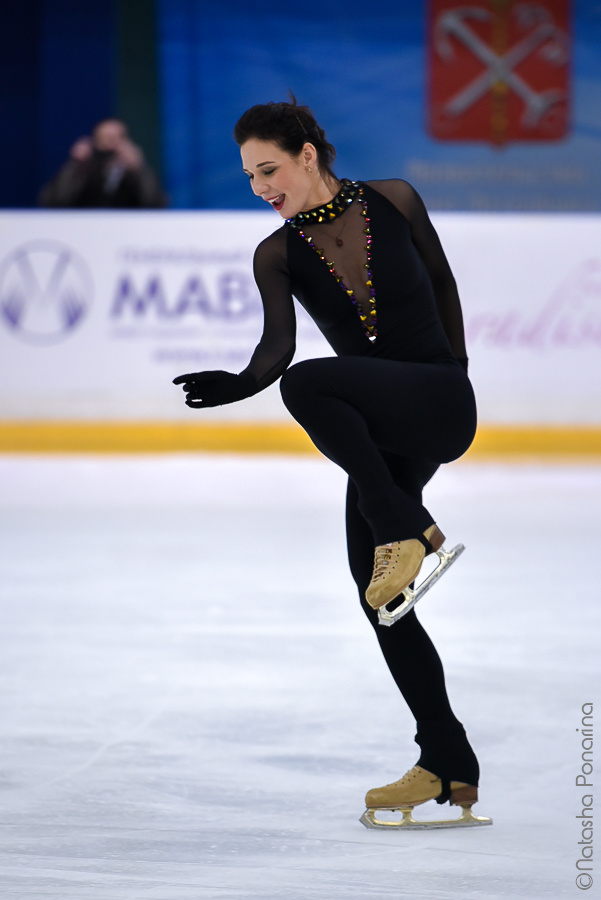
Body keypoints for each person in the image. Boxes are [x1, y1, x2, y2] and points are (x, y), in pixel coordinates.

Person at [173, 98, 490, 829]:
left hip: (440, 399)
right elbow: (275, 352)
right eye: (250, 177)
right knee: (377, 596)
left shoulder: (394, 199)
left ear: (306, 155)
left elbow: (441, 285)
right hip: (385, 436)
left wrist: (458, 371)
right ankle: (446, 759)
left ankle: (403, 524)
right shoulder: (277, 253)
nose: (259, 187)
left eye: (268, 169)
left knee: (311, 384)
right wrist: (236, 385)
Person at [38, 118, 166, 209]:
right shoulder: (83, 170)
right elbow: (53, 201)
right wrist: (75, 166)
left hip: (128, 231)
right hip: (83, 230)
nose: (110, 144)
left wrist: (138, 169)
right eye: (104, 138)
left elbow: (155, 203)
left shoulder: (135, 173)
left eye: (115, 138)